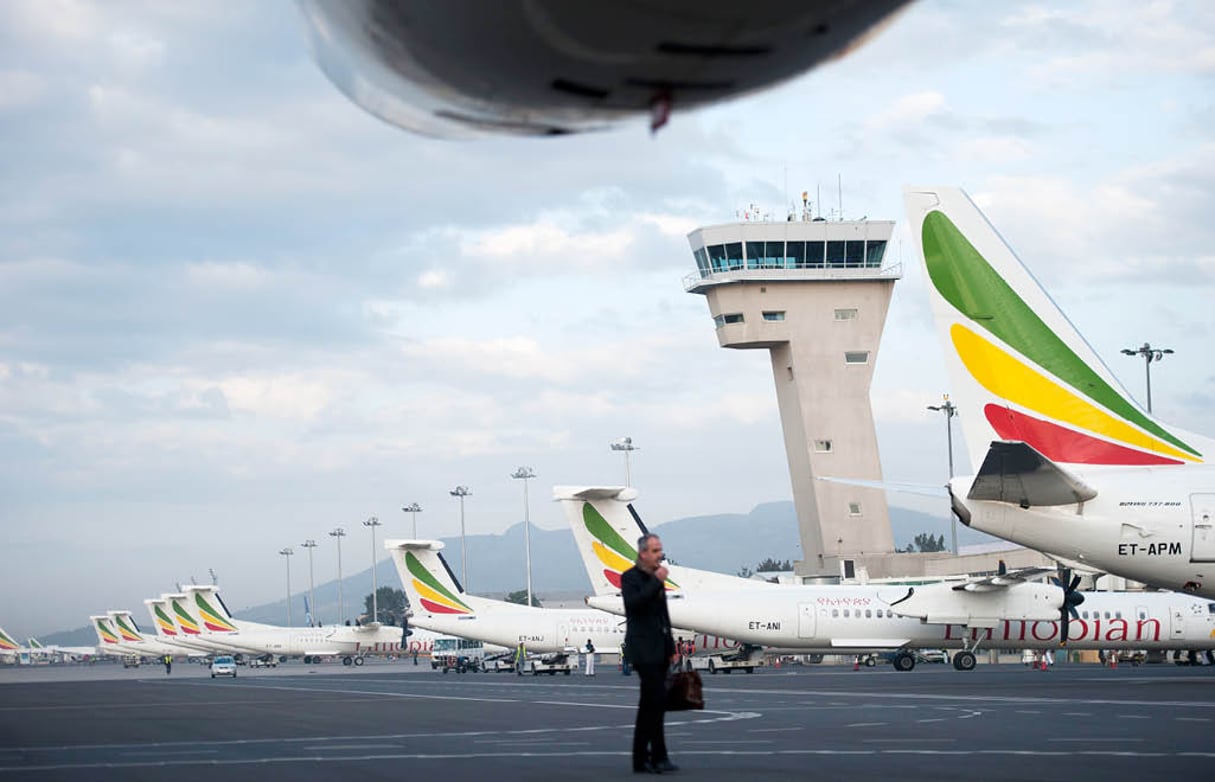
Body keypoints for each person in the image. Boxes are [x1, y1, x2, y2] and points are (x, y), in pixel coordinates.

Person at [622, 533, 678, 775]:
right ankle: (650, 756)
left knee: (653, 704)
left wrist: (672, 647)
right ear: (643, 553)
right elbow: (635, 605)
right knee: (653, 703)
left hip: (659, 648)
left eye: (660, 550)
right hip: (643, 650)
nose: (660, 555)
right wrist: (656, 582)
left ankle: (652, 756)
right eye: (655, 551)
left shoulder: (656, 580)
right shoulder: (630, 578)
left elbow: (662, 615)